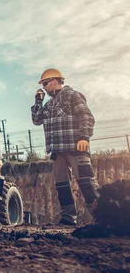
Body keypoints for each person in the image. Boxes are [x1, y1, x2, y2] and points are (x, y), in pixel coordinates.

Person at [31, 68, 99, 226]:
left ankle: (101, 215)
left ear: (55, 81)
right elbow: (36, 120)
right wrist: (38, 101)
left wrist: (84, 137)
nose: (45, 87)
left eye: (46, 83)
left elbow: (86, 116)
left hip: (75, 147)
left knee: (86, 182)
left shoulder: (72, 96)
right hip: (57, 151)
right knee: (62, 185)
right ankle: (68, 218)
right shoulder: (48, 104)